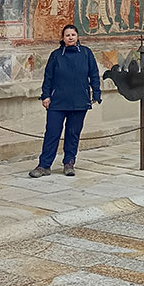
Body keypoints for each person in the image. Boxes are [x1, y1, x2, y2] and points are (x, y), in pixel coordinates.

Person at [29, 24, 101, 178]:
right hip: (58, 101)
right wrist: (46, 95)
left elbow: (94, 74)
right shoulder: (56, 55)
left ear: (77, 36)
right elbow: (48, 77)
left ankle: (69, 163)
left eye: (73, 35)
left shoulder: (86, 53)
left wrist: (96, 93)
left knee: (73, 133)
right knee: (52, 133)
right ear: (63, 38)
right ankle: (44, 165)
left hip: (79, 101)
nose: (70, 37)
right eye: (67, 35)